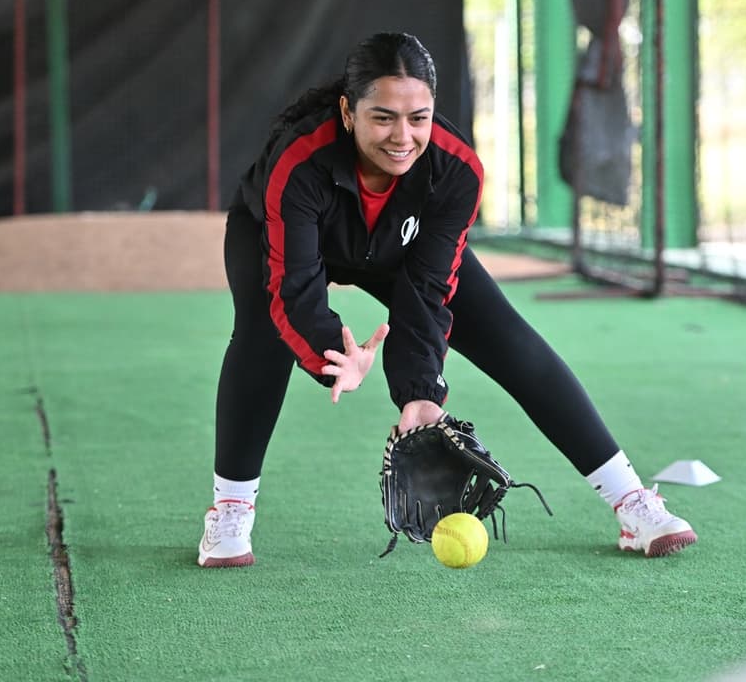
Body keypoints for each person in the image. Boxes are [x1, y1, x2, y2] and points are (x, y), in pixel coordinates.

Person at [198, 32, 697, 567]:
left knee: (510, 339)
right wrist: (331, 356)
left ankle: (632, 502)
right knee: (261, 337)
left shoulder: (456, 171)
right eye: (383, 117)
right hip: (276, 236)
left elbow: (428, 291)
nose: (403, 136)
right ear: (348, 112)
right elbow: (293, 287)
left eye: (419, 117)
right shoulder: (299, 162)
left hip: (398, 245)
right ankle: (230, 510)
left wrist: (420, 392)